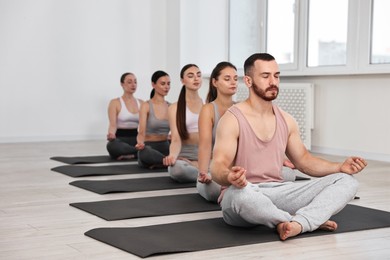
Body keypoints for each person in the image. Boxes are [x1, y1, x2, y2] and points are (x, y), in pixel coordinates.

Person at [210, 53, 367, 241]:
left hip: (279, 191)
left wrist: (339, 167)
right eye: (265, 76)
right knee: (241, 196)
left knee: (347, 181)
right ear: (249, 81)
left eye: (276, 75)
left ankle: (296, 223)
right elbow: (217, 166)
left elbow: (304, 161)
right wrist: (229, 176)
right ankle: (304, 221)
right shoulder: (231, 119)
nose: (273, 81)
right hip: (244, 194)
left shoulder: (287, 119)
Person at [196, 61, 238, 202]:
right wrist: (204, 173)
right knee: (213, 190)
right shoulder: (208, 109)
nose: (233, 82)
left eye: (235, 79)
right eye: (227, 79)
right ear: (215, 82)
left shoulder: (241, 108)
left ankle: (235, 192)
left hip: (237, 168)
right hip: (215, 169)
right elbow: (205, 145)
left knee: (287, 174)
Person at [163, 64, 203, 182]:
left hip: (206, 155)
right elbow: (175, 138)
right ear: (182, 80)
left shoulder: (207, 105)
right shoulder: (174, 107)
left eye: (198, 75)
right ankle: (205, 173)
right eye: (191, 76)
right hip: (185, 157)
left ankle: (200, 170)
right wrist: (172, 156)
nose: (196, 78)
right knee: (177, 170)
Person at [136, 70, 171, 168]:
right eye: (163, 84)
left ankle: (163, 162)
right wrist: (140, 143)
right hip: (149, 147)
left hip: (166, 146)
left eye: (168, 84)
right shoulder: (146, 105)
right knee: (144, 152)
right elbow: (141, 132)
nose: (166, 87)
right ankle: (168, 162)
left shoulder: (171, 107)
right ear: (153, 84)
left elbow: (177, 131)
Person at [106, 72, 143, 160]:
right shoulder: (115, 102)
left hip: (136, 139)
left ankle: (132, 154)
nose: (133, 85)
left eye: (135, 82)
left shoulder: (141, 103)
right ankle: (137, 152)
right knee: (111, 146)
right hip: (120, 140)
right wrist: (111, 134)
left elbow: (144, 126)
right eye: (129, 82)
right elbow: (112, 125)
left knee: (152, 144)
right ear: (122, 84)